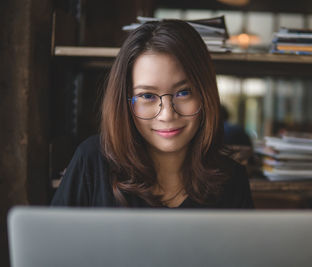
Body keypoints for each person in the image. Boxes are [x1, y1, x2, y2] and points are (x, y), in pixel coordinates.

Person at [51, 19, 254, 209]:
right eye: (147, 95)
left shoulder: (232, 179)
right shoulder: (92, 160)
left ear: (204, 95)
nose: (167, 114)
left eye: (183, 93)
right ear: (126, 102)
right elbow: (52, 245)